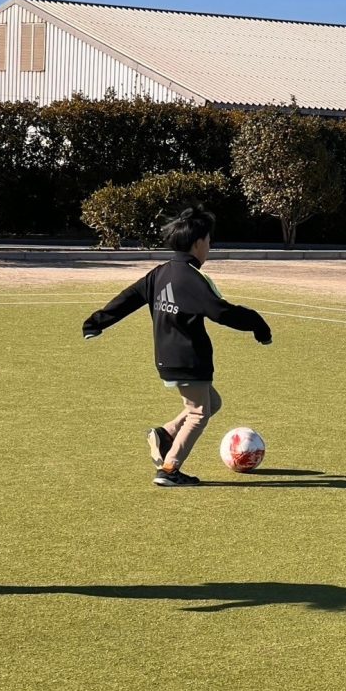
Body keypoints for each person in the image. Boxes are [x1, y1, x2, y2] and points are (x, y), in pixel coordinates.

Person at [83, 205, 272, 486]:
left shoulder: (160, 273)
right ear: (198, 243)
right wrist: (258, 324)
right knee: (199, 412)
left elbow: (129, 297)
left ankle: (165, 434)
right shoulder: (193, 279)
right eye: (208, 241)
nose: (210, 246)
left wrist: (96, 322)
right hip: (189, 359)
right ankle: (170, 469)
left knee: (211, 402)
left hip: (167, 357)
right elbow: (222, 312)